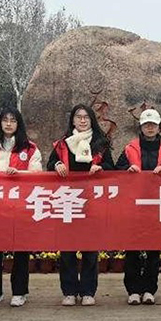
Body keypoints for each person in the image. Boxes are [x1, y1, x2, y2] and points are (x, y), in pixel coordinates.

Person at [47, 104, 115, 306]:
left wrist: (100, 168)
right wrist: (57, 164)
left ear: (92, 119)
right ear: (73, 120)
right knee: (67, 249)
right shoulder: (62, 144)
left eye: (86, 117)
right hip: (68, 200)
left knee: (90, 249)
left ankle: (88, 291)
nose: (83, 120)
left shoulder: (100, 143)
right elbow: (50, 165)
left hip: (92, 201)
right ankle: (69, 291)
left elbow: (111, 168)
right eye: (78, 117)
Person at [0, 107, 43, 308]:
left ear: (18, 124)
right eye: (5, 120)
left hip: (20, 207)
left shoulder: (30, 149)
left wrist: (21, 174)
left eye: (13, 120)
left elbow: (37, 173)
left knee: (21, 251)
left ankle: (20, 292)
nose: (8, 124)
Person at [115, 108, 161, 305]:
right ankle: (133, 290)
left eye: (153, 125)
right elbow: (116, 171)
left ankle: (150, 289)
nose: (150, 128)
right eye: (146, 125)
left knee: (153, 250)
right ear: (141, 128)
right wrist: (128, 170)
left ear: (159, 127)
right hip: (133, 206)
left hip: (157, 206)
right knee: (132, 249)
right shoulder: (129, 149)